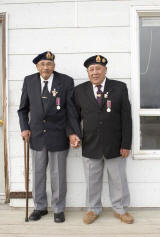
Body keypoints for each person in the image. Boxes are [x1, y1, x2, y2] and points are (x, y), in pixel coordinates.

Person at [18, 51, 81, 222]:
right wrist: (24, 128)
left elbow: (71, 111)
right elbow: (23, 109)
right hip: (36, 136)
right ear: (37, 67)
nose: (46, 67)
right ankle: (40, 207)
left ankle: (58, 209)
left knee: (58, 175)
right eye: (42, 64)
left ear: (54, 65)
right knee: (38, 173)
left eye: (49, 64)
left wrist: (73, 133)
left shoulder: (66, 81)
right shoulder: (29, 81)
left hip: (59, 135)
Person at [72, 55, 134, 224]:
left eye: (98, 68)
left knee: (118, 179)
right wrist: (74, 134)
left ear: (105, 70)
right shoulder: (79, 90)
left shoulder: (119, 88)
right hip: (90, 144)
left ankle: (120, 209)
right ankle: (93, 209)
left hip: (115, 145)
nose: (95, 72)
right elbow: (74, 117)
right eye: (91, 69)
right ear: (87, 72)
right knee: (92, 181)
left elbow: (126, 118)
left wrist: (126, 144)